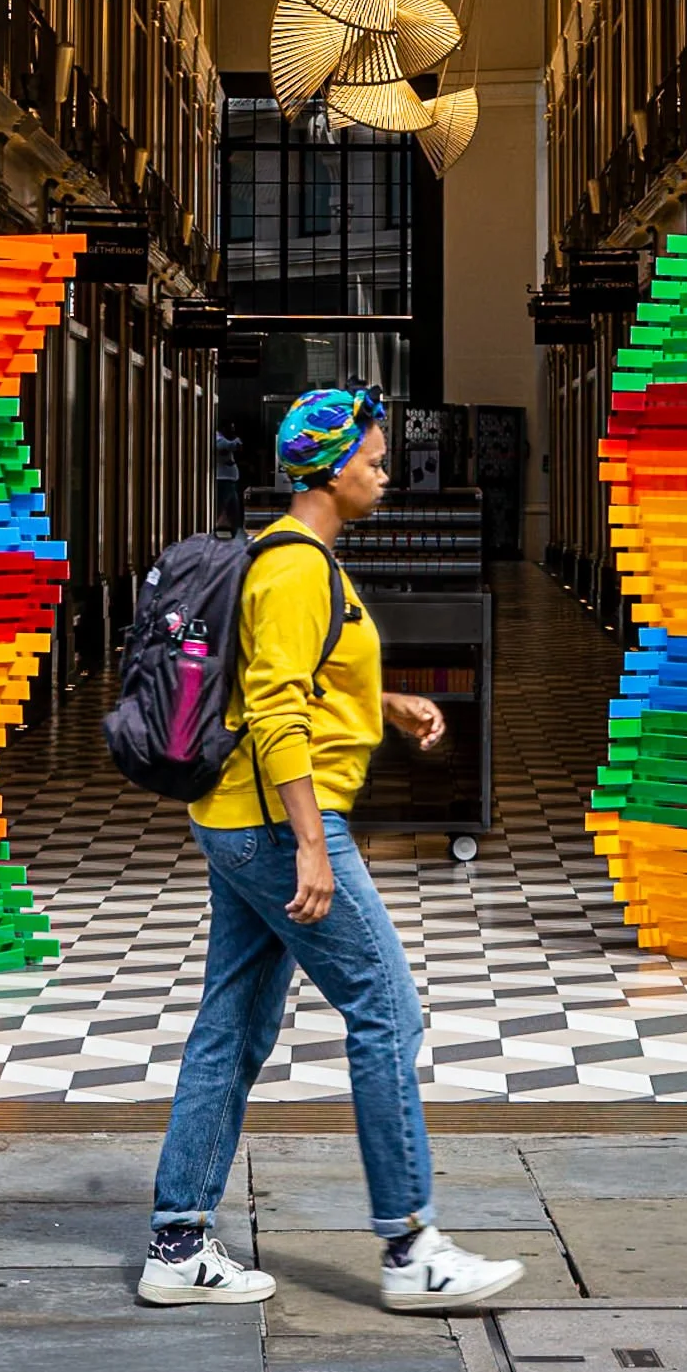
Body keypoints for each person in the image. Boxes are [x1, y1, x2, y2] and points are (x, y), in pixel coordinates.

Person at [138, 384, 524, 1313]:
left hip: (242, 819)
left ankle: (177, 1244)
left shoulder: (300, 561)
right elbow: (272, 712)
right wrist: (312, 847)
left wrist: (384, 705)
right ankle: (410, 1248)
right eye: (376, 461)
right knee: (387, 1010)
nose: (386, 475)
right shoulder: (296, 568)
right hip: (275, 825)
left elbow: (297, 677)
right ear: (333, 467)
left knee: (233, 1028)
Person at [212, 423, 243, 535]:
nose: (232, 431)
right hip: (222, 479)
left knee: (233, 509)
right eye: (231, 428)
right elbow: (230, 446)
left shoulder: (223, 439)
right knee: (222, 507)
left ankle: (236, 532)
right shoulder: (218, 439)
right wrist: (236, 440)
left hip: (229, 479)